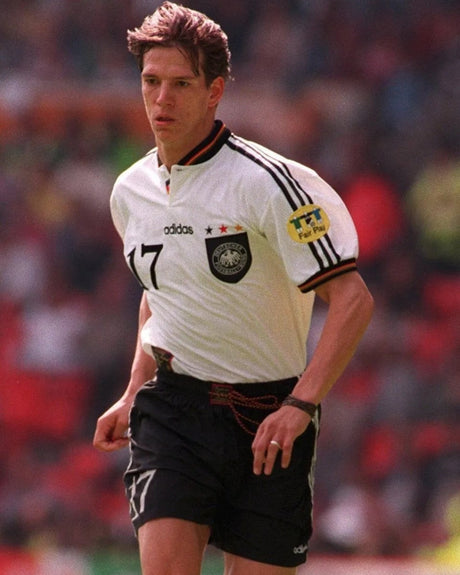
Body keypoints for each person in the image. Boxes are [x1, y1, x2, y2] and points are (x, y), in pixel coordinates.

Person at [93, 3, 374, 574]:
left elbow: (353, 301)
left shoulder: (271, 183)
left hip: (267, 414)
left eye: (181, 84)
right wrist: (133, 390)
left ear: (214, 91)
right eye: (151, 81)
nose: (162, 99)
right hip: (174, 412)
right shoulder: (129, 190)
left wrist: (300, 406)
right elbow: (162, 292)